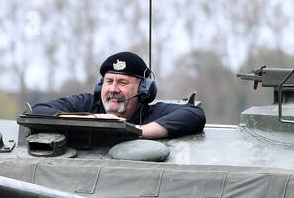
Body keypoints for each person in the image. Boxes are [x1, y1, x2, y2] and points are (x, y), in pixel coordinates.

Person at [30, 51, 204, 140]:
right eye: (109, 81)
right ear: (100, 85)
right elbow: (38, 111)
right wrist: (93, 121)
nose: (113, 89)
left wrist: (134, 131)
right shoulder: (87, 104)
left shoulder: (151, 113)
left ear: (143, 89)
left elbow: (194, 115)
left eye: (122, 82)